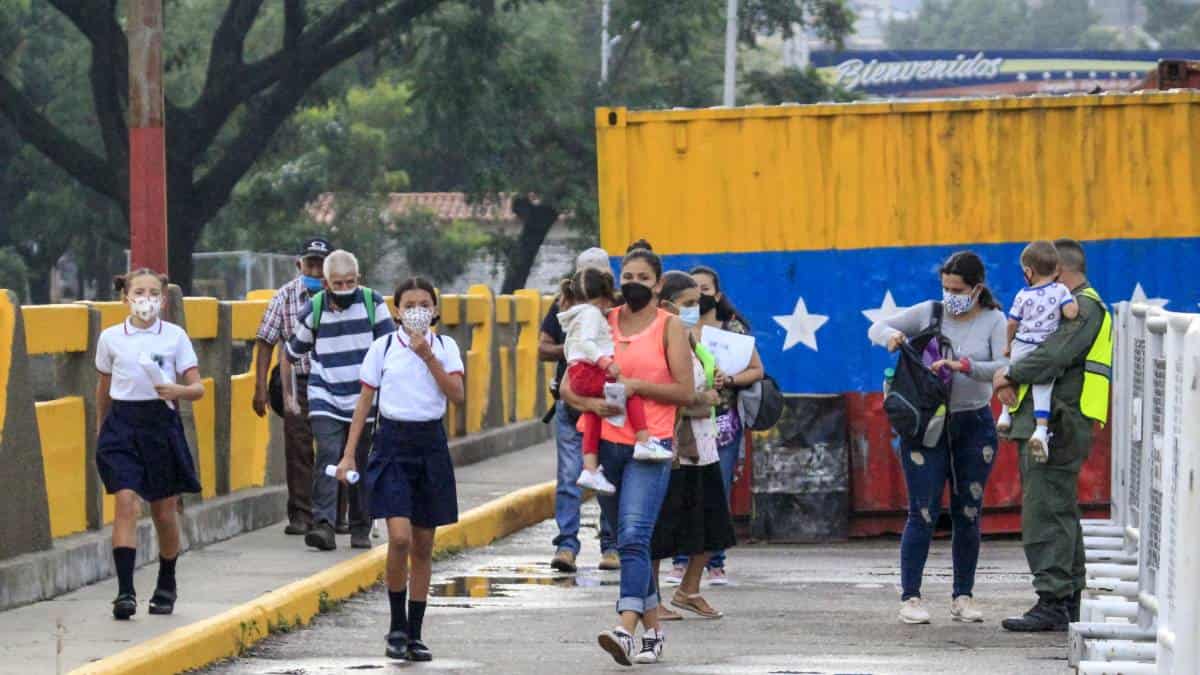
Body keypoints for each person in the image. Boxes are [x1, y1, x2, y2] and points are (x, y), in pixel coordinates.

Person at [561, 246, 695, 667]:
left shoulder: (670, 327)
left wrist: (636, 386)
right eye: (628, 276)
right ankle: (655, 633)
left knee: (635, 537)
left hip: (649, 444)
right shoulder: (602, 320)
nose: (633, 283)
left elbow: (685, 392)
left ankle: (625, 630)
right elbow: (568, 384)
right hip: (604, 445)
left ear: (657, 284)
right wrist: (589, 404)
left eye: (643, 277)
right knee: (627, 542)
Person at [868, 251, 1008, 625]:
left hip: (973, 423)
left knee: (968, 511)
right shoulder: (930, 312)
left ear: (977, 288)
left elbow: (1003, 366)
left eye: (957, 289)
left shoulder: (995, 320)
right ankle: (910, 596)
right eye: (945, 287)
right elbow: (876, 327)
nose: (950, 295)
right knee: (923, 510)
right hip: (927, 424)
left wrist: (964, 365)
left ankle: (963, 595)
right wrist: (893, 337)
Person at [335, 277, 464, 662]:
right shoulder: (383, 347)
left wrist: (428, 356)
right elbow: (364, 402)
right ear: (396, 311)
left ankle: (415, 631)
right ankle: (395, 625)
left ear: (436, 310)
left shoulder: (445, 347)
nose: (417, 310)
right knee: (401, 537)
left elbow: (456, 395)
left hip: (430, 445)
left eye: (425, 303)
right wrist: (348, 454)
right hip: (391, 445)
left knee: (424, 543)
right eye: (409, 304)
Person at [996, 238, 1111, 632]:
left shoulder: (1086, 307)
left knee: (1045, 507)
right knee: (1056, 507)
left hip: (1059, 421)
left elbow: (1054, 353)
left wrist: (1009, 374)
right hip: (1053, 418)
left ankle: (1054, 599)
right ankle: (1066, 598)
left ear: (1057, 271)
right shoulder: (1072, 306)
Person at [95, 268, 206, 620]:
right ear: (125, 297)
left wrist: (178, 391)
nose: (145, 299)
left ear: (163, 297)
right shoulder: (111, 338)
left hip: (161, 426)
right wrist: (101, 428)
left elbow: (197, 387)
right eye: (138, 292)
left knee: (163, 511)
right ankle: (125, 591)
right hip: (122, 426)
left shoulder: (175, 337)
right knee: (125, 502)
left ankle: (167, 579)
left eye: (152, 292)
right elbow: (103, 388)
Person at [647, 272, 736, 653]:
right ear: (666, 306)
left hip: (705, 445)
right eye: (686, 303)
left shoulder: (693, 339)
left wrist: (714, 381)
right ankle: (651, 599)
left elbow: (704, 379)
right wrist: (706, 398)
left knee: (712, 522)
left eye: (695, 303)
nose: (693, 310)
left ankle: (689, 589)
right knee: (663, 528)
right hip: (676, 448)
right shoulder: (662, 342)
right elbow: (676, 394)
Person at [287, 250, 394, 552]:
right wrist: (288, 393)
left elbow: (389, 348)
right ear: (326, 283)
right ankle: (324, 525)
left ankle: (360, 525)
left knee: (361, 458)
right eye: (338, 283)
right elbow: (292, 352)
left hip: (365, 396)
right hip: (326, 394)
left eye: (350, 283)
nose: (344, 288)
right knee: (329, 454)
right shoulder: (315, 308)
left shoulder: (373, 304)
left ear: (358, 280)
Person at [666, 265, 763, 586]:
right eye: (692, 295)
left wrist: (729, 379)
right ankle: (680, 561)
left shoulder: (731, 328)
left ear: (716, 294)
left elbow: (756, 369)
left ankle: (714, 561)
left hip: (722, 423)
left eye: (704, 291)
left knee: (716, 493)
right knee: (684, 493)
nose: (699, 299)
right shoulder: (673, 329)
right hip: (683, 424)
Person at [559, 268, 672, 495]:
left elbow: (571, 346)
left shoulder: (575, 314)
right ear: (602, 296)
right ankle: (643, 441)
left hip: (576, 371)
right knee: (629, 390)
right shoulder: (591, 314)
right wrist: (606, 364)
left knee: (593, 413)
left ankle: (590, 469)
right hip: (590, 368)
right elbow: (588, 343)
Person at [543, 248, 619, 573]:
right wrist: (573, 347)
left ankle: (611, 546)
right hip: (570, 400)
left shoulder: (615, 310)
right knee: (569, 477)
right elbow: (541, 347)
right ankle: (567, 546)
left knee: (608, 475)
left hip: (606, 404)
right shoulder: (564, 309)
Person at [253, 237, 330, 536]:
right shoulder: (284, 297)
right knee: (298, 447)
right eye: (311, 263)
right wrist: (260, 388)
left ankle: (335, 514)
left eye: (321, 264)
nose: (315, 270)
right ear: (299, 264)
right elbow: (265, 342)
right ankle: (301, 514)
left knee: (332, 448)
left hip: (333, 382)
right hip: (296, 381)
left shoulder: (341, 295)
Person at [995, 241, 1079, 461]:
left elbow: (1012, 323)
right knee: (1042, 388)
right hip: (1043, 346)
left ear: (1029, 272)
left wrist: (1008, 344)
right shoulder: (1060, 290)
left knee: (1013, 376)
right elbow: (1070, 313)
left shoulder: (1022, 295)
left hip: (1022, 343)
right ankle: (1041, 430)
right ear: (1057, 270)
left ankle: (1004, 416)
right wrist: (1073, 302)